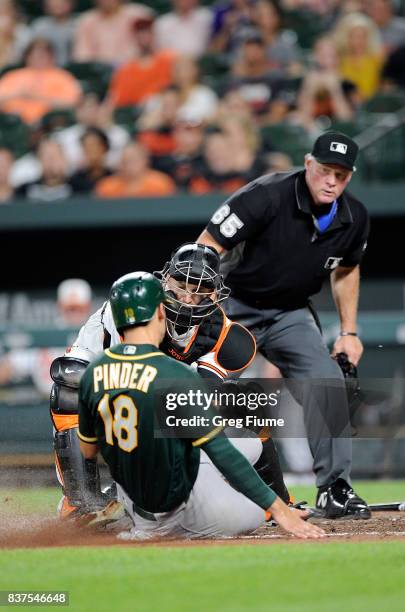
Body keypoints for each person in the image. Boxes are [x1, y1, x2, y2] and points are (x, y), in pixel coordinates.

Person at [197, 131, 372, 520]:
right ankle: (175, 484)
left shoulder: (353, 217)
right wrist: (199, 306)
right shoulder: (266, 195)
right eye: (325, 171)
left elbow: (346, 271)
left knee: (326, 380)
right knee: (194, 388)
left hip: (289, 313)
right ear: (309, 164)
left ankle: (335, 489)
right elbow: (207, 246)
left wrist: (349, 332)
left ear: (350, 177)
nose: (331, 181)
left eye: (341, 175)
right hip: (233, 306)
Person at [50, 243, 291, 519]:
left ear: (215, 293)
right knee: (68, 390)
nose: (188, 297)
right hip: (118, 407)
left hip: (174, 423)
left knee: (247, 402)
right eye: (182, 283)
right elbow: (71, 370)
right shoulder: (132, 305)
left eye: (200, 289)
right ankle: (81, 501)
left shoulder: (225, 337)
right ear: (166, 280)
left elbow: (200, 403)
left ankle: (278, 502)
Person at [77, 271, 324, 539]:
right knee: (254, 509)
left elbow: (88, 450)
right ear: (160, 311)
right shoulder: (174, 373)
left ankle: (122, 514)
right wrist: (277, 508)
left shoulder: (94, 372)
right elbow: (222, 453)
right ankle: (148, 531)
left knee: (250, 445)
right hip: (176, 511)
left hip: (132, 497)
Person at [0, 38, 81, 125]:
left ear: (51, 57)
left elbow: (72, 103)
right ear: (27, 57)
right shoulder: (13, 76)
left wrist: (38, 97)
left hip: (49, 124)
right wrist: (18, 94)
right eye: (34, 55)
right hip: (13, 124)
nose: (38, 58)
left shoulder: (62, 77)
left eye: (43, 55)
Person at [107, 15, 176, 108]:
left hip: (162, 110)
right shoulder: (126, 69)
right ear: (134, 37)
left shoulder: (169, 60)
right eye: (140, 33)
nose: (144, 37)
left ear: (154, 35)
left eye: (147, 32)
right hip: (133, 113)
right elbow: (115, 99)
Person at [72, 0, 153, 64]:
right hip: (100, 75)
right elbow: (82, 57)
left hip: (135, 69)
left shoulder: (139, 15)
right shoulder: (86, 21)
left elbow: (152, 49)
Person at [95, 142, 176, 198]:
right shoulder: (107, 186)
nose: (129, 165)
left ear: (145, 161)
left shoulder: (161, 183)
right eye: (125, 161)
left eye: (134, 160)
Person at [30, 0, 77, 66]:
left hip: (73, 68)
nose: (57, 4)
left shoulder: (80, 24)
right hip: (46, 68)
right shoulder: (40, 26)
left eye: (61, 2)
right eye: (53, 2)